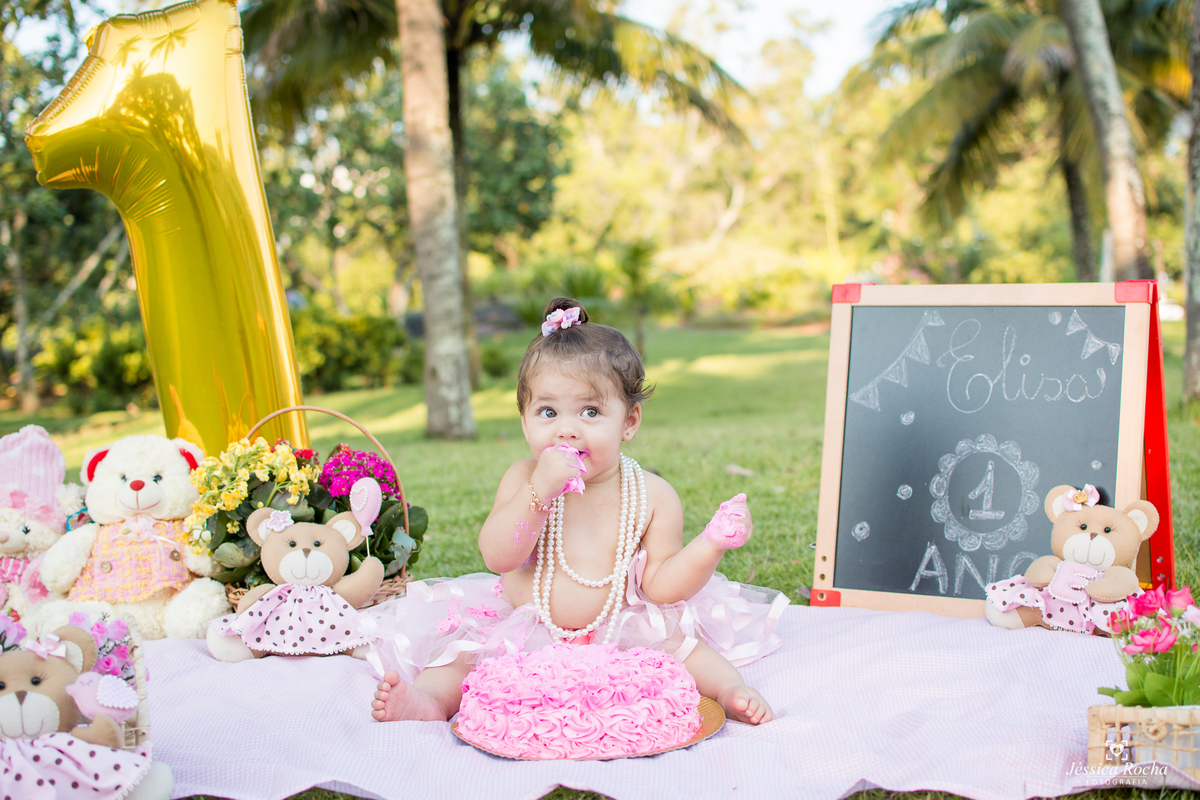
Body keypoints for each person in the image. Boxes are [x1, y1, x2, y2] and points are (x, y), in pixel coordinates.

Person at [369, 298, 788, 725]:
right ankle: (428, 702)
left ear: (629, 421)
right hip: (525, 624)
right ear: (524, 422)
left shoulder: (653, 496)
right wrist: (539, 491)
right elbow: (499, 557)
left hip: (619, 626)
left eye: (590, 411)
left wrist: (711, 543)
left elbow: (663, 586)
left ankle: (731, 689)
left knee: (683, 647)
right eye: (548, 411)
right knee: (462, 654)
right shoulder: (522, 477)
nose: (567, 428)